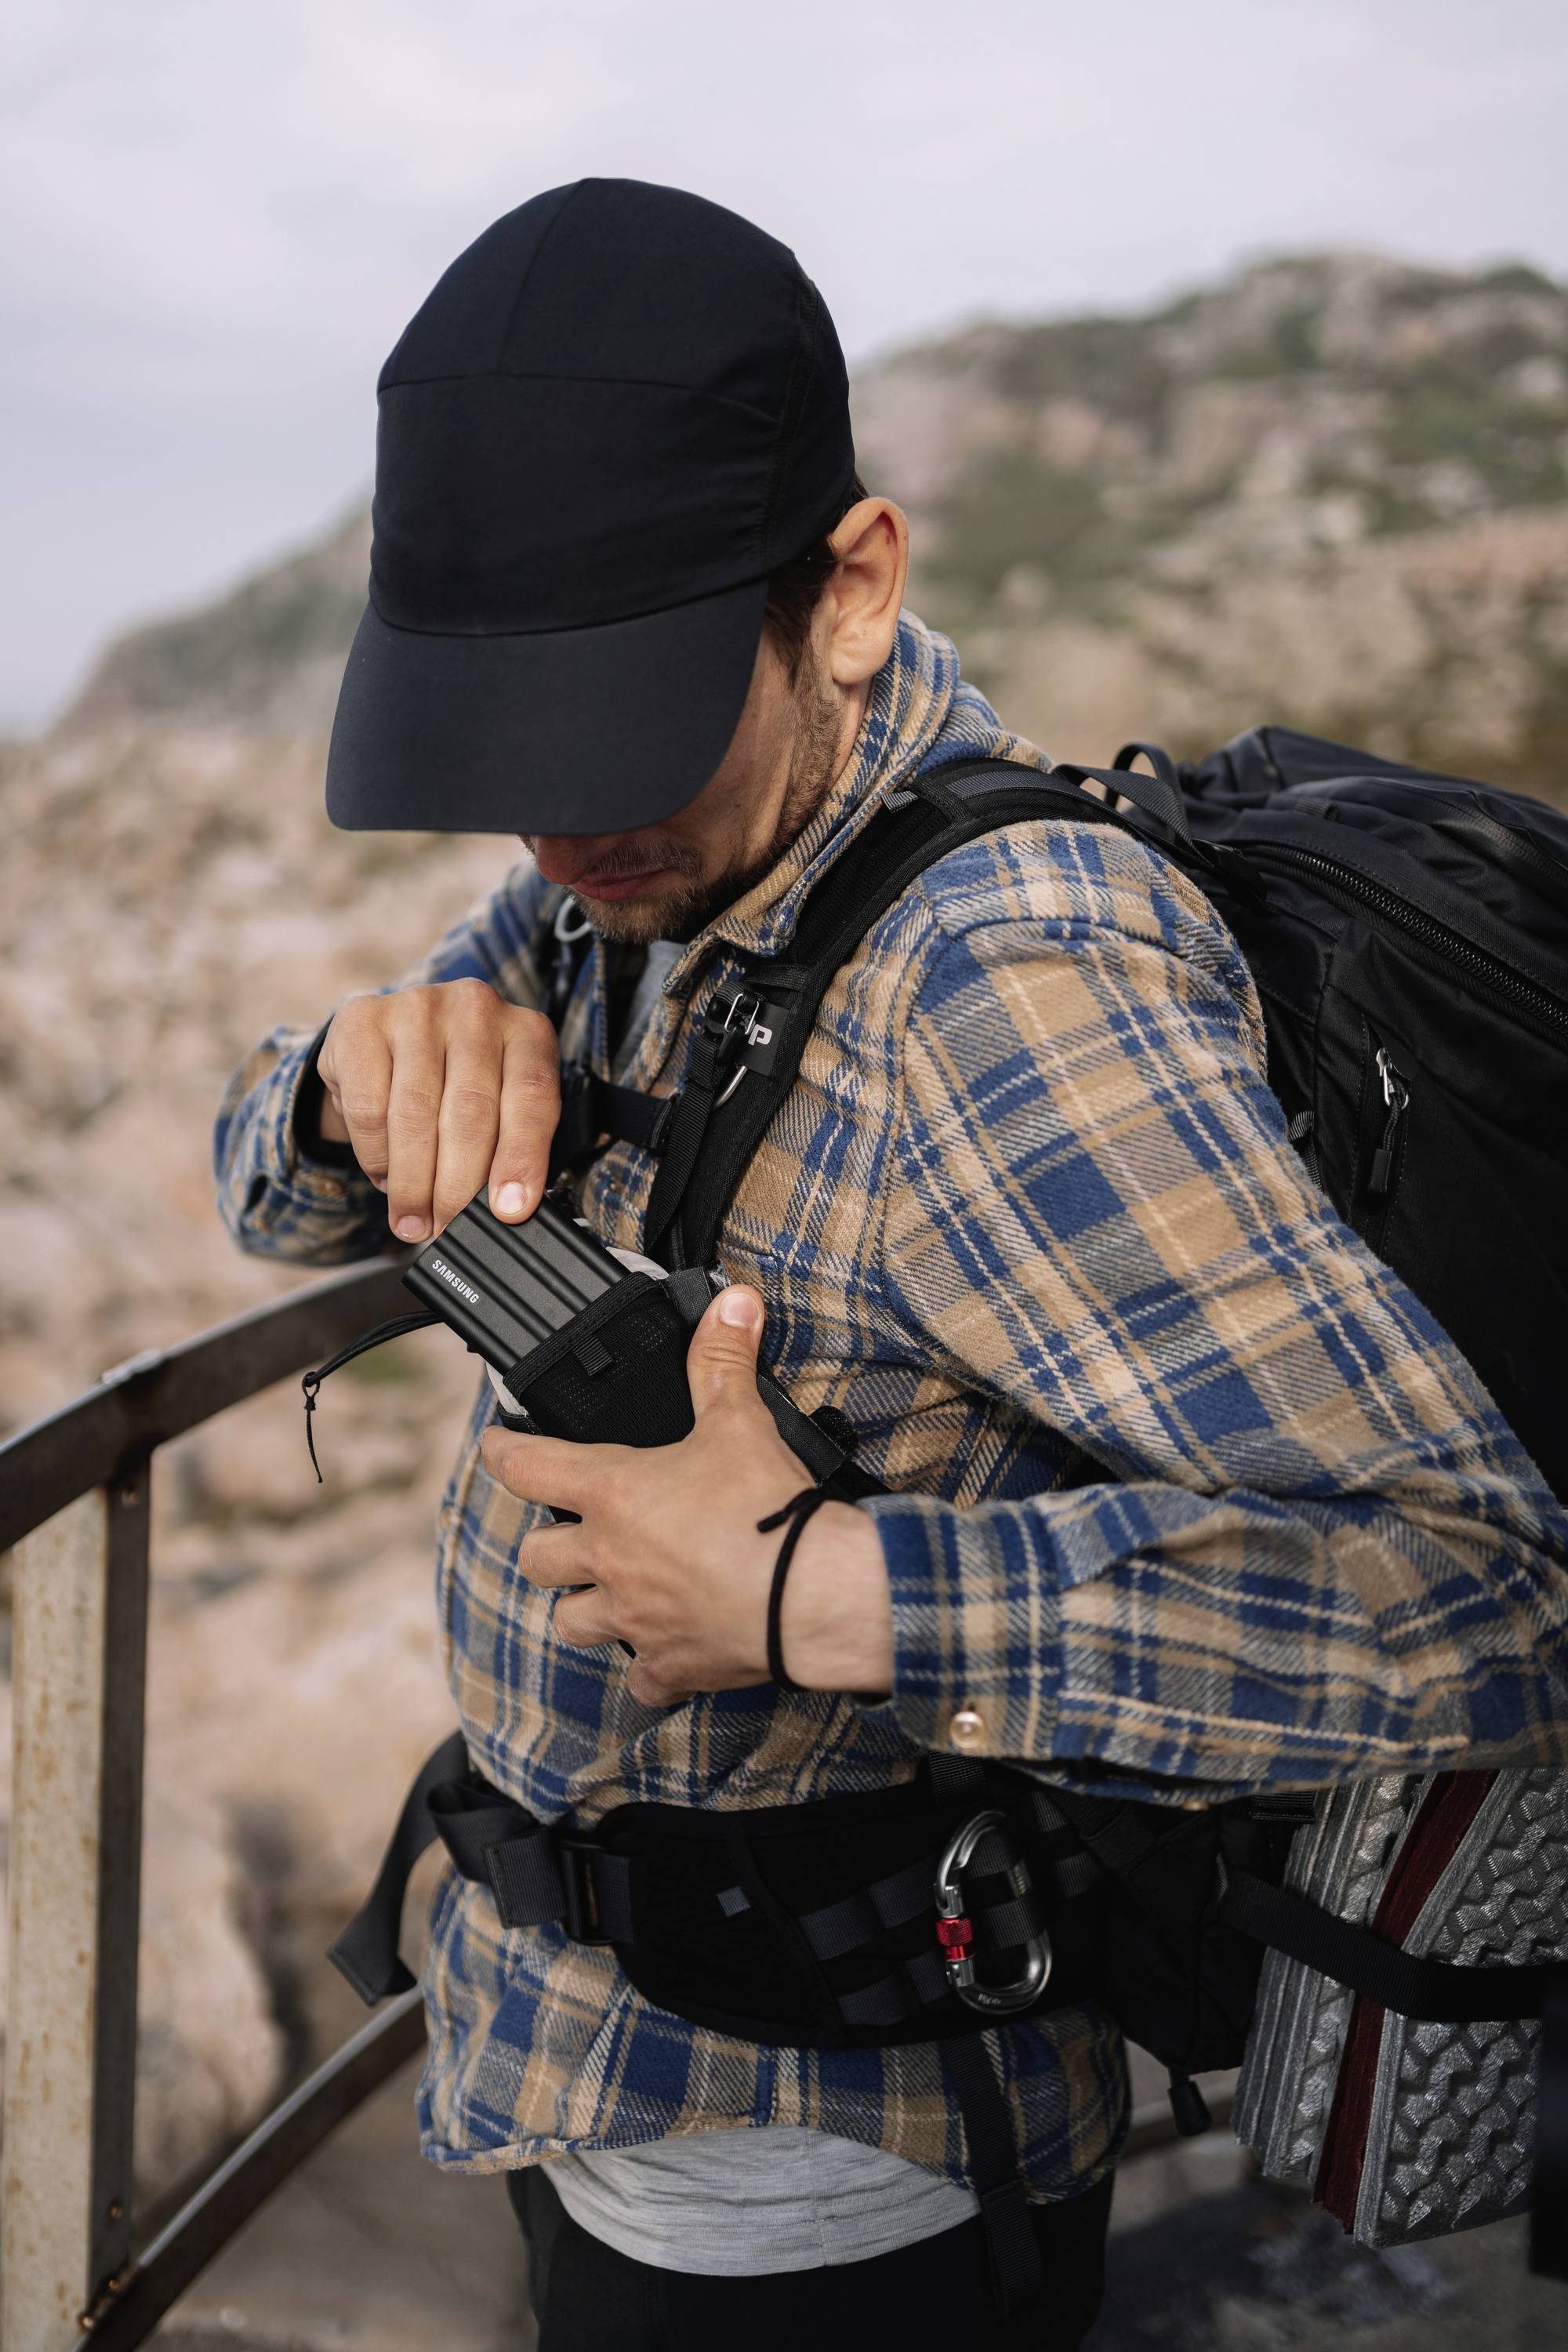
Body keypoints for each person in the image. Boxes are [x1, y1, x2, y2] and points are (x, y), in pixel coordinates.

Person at [213, 180, 1568, 2350]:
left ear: (849, 596)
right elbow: (268, 1199)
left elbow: (1483, 1599)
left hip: (828, 2185)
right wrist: (350, 1080)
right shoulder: (626, 881)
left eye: (612, 733)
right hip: (589, 2082)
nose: (552, 834)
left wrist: (807, 1592)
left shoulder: (1001, 988)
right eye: (507, 755)